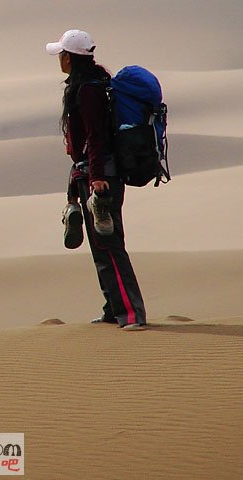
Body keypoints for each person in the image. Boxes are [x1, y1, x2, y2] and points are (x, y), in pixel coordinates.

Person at [46, 29, 147, 330]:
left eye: (61, 55)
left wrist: (98, 179)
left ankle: (131, 314)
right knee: (100, 246)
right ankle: (113, 309)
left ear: (70, 57)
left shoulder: (88, 90)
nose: (59, 60)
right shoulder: (89, 84)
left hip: (100, 176)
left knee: (109, 245)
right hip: (89, 172)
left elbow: (96, 136)